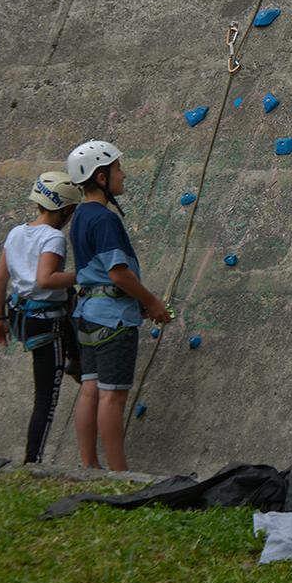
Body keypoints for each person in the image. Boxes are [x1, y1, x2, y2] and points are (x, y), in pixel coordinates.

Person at [66, 140, 171, 471]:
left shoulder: (80, 216)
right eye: (117, 169)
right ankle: (118, 472)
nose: (122, 175)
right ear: (100, 177)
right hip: (113, 320)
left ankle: (89, 466)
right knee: (113, 396)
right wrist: (151, 301)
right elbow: (118, 274)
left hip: (86, 315)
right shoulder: (105, 220)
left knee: (90, 391)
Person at [0, 171, 82, 464]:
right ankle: (33, 462)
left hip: (19, 315)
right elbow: (46, 279)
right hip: (45, 320)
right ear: (67, 210)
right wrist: (86, 275)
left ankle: (76, 358)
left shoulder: (16, 232)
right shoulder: (53, 238)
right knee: (46, 397)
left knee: (69, 302)